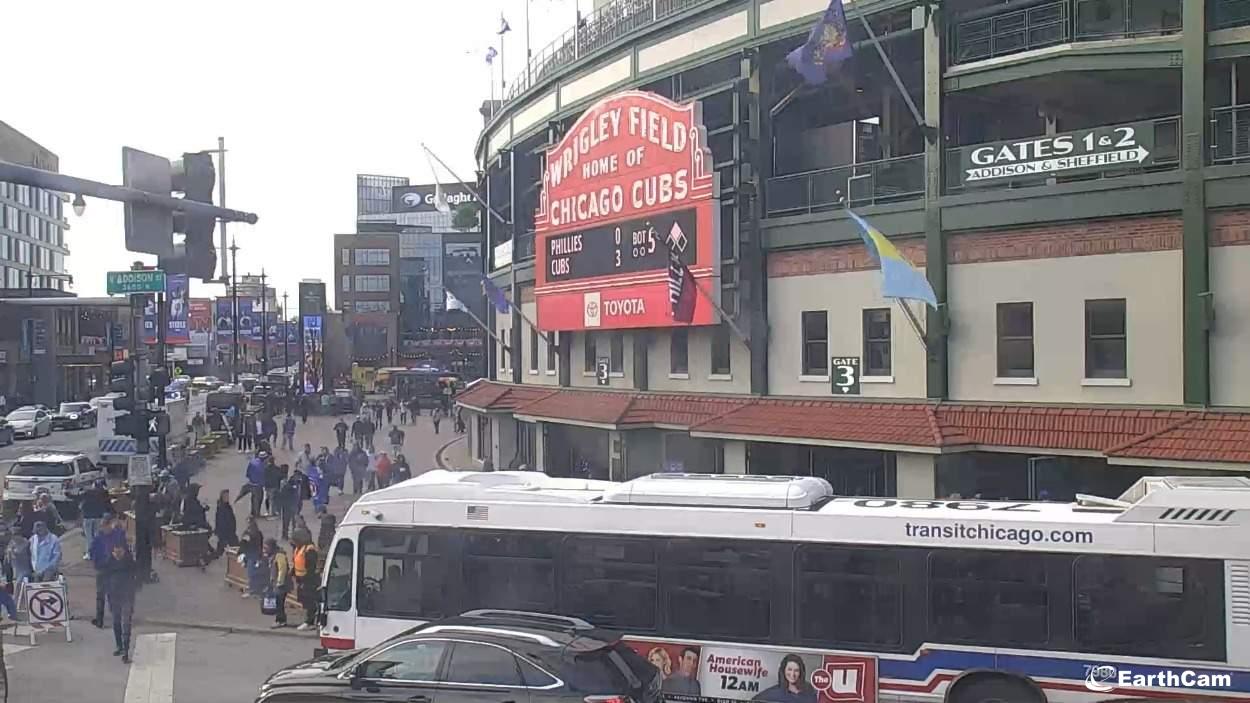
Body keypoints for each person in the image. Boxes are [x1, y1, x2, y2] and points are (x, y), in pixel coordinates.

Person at [88, 515, 129, 628]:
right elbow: (92, 552)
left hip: (111, 569)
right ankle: (104, 619)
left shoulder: (112, 536)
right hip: (107, 568)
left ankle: (108, 619)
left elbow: (92, 552)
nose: (105, 528)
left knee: (109, 595)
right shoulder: (112, 536)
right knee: (104, 595)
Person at [102, 544, 138, 662]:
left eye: (120, 553)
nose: (117, 555)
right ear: (112, 552)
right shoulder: (108, 563)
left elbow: (135, 577)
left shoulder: (129, 563)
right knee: (116, 622)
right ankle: (119, 646)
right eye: (115, 553)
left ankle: (126, 651)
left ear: (123, 551)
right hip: (114, 597)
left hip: (127, 596)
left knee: (126, 623)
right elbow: (104, 580)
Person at [291, 530, 319, 631]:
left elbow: (311, 568)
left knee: (310, 601)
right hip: (301, 579)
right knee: (305, 600)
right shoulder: (299, 548)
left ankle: (310, 622)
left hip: (309, 580)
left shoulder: (309, 550)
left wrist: (305, 581)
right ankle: (310, 619)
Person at [79, 479, 112, 559]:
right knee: (97, 535)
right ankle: (98, 552)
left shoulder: (87, 493)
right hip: (98, 516)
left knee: (89, 536)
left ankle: (90, 554)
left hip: (88, 517)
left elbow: (74, 496)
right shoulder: (102, 493)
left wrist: (67, 491)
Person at [264, 538, 292, 628]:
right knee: (278, 603)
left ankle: (280, 620)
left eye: (266, 547)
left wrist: (279, 582)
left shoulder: (279, 555)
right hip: (277, 584)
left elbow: (282, 569)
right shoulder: (274, 555)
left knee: (279, 603)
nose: (265, 550)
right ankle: (280, 619)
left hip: (281, 585)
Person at [239, 516, 265, 598]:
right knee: (255, 573)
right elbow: (260, 544)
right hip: (257, 554)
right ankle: (255, 588)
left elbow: (243, 544)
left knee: (251, 573)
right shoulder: (258, 532)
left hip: (251, 555)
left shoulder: (249, 533)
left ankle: (252, 590)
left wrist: (240, 553)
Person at [277, 467, 301, 540]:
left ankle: (288, 535)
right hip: (288, 505)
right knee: (288, 521)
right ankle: (286, 535)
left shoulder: (295, 482)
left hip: (290, 504)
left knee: (291, 521)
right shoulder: (290, 483)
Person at [213, 489, 238, 558]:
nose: (227, 498)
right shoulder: (222, 507)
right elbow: (221, 521)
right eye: (225, 496)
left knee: (220, 551)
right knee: (235, 548)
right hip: (226, 532)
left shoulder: (227, 506)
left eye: (227, 496)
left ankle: (206, 559)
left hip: (229, 532)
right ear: (222, 497)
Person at [245, 450, 267, 519]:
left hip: (252, 483)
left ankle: (253, 512)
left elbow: (248, 473)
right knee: (258, 499)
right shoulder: (263, 466)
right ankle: (256, 514)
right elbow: (264, 476)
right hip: (258, 485)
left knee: (253, 498)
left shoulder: (252, 462)